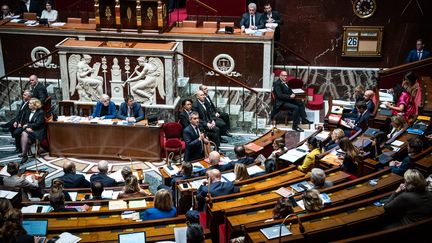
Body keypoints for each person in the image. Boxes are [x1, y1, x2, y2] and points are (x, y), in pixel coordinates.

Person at [18, 98, 45, 164]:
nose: (28, 104)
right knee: (24, 133)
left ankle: (24, 155)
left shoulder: (40, 112)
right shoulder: (29, 111)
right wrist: (26, 126)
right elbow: (27, 121)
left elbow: (38, 124)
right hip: (30, 130)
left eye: (30, 103)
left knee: (24, 134)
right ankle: (24, 154)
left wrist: (28, 126)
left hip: (38, 131)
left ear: (35, 105)